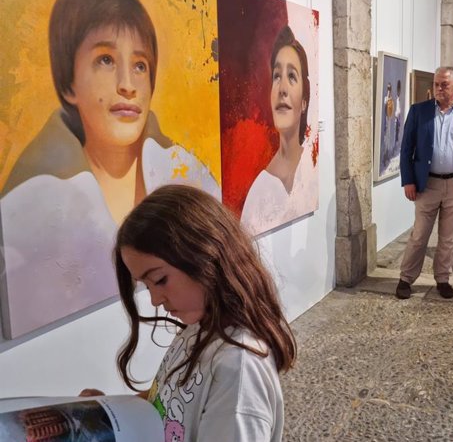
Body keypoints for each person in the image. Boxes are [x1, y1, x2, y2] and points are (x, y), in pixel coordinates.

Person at [0, 0, 219, 339]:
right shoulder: (26, 209)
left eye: (139, 65)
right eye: (104, 60)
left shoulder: (189, 176)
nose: (127, 84)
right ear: (69, 83)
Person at [81, 184, 296, 441]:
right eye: (146, 286)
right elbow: (167, 404)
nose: (155, 299)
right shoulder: (199, 327)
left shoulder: (238, 368)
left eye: (160, 280)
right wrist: (107, 412)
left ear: (205, 255)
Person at [395, 66, 453, 299]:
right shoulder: (419, 111)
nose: (439, 88)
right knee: (419, 234)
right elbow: (406, 149)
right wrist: (408, 180)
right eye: (436, 84)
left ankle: (443, 278)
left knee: (448, 237)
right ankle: (406, 278)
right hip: (428, 184)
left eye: (444, 84)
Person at [241, 25, 317, 236]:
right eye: (276, 76)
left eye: (292, 76)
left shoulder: (311, 166)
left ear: (304, 102)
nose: (282, 88)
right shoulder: (258, 192)